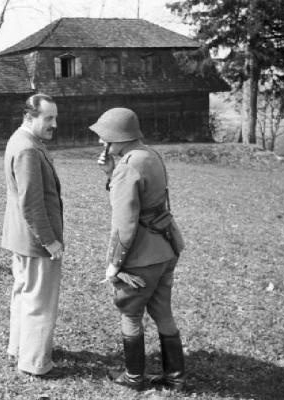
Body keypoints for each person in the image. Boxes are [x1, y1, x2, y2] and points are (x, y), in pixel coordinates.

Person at [90, 107, 186, 391]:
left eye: (103, 136)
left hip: (142, 255)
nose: (100, 141)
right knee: (163, 312)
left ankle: (133, 378)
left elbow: (124, 225)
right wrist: (112, 173)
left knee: (130, 313)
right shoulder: (150, 155)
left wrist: (114, 265)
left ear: (118, 138)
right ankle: (176, 378)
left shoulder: (127, 167)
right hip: (167, 248)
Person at [2, 93, 64, 378]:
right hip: (35, 240)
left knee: (24, 296)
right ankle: (35, 362)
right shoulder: (27, 148)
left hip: (21, 236)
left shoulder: (21, 139)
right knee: (39, 301)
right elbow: (31, 202)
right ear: (30, 117)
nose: (54, 124)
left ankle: (19, 348)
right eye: (48, 118)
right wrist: (49, 240)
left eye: (55, 117)